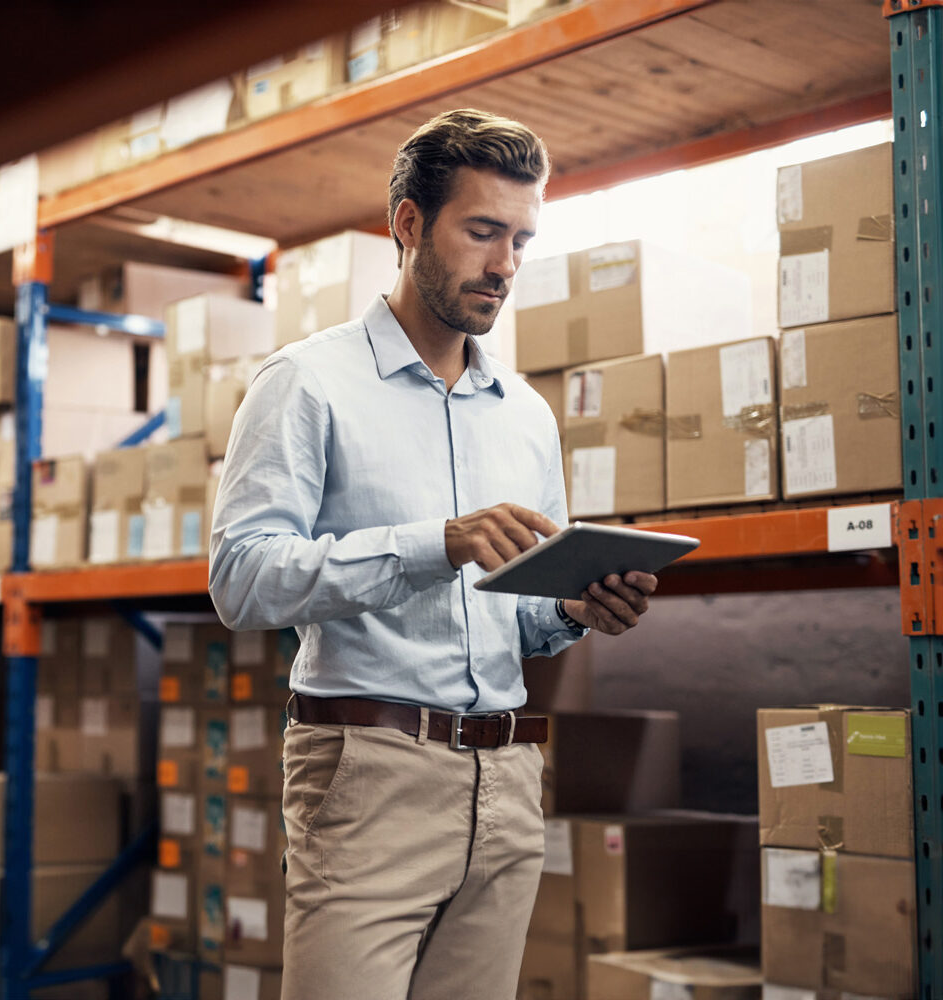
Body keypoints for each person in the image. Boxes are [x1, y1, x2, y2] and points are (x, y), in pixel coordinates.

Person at [209, 108, 657, 1000]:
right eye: (483, 231)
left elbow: (519, 616)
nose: (505, 266)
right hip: (371, 773)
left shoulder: (526, 414)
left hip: (509, 779)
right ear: (408, 224)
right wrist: (432, 545)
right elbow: (243, 579)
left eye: (522, 240)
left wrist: (570, 608)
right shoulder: (306, 383)